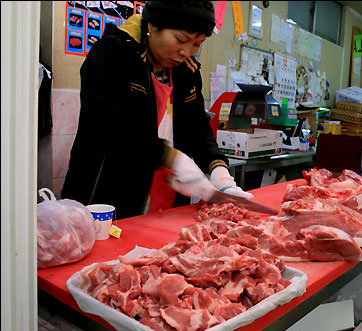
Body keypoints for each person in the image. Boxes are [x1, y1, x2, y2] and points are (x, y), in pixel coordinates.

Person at [62, 1, 252, 219]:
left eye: (197, 44)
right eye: (180, 40)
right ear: (152, 25)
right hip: (106, 200)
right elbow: (110, 127)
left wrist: (219, 171)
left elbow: (197, 126)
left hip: (166, 201)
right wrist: (170, 157)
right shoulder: (113, 54)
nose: (185, 52)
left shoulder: (186, 70)